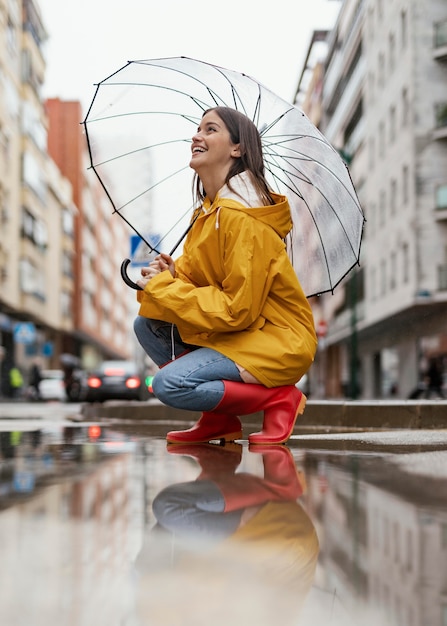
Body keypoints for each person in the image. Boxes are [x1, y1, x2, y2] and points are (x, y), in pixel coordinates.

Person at [133, 106, 317, 445]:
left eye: (210, 129)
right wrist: (170, 277)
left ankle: (279, 399)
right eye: (197, 128)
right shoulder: (208, 214)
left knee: (169, 385)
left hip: (277, 341)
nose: (196, 136)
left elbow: (236, 309)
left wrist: (167, 289)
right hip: (244, 334)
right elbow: (203, 286)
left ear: (237, 148)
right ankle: (219, 420)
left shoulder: (243, 219)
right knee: (148, 324)